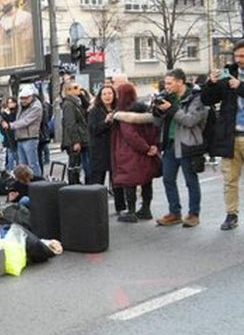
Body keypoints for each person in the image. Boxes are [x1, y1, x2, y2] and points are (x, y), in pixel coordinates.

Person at [153, 68, 209, 227]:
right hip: (169, 144)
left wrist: (171, 109)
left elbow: (190, 121)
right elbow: (157, 123)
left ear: (180, 82)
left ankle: (193, 214)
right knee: (168, 179)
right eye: (165, 83)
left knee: (191, 181)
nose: (166, 86)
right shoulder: (167, 97)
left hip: (187, 144)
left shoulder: (196, 97)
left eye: (169, 83)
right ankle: (174, 213)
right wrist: (157, 110)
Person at [201, 38, 244, 230]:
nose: (239, 59)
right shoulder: (229, 73)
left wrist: (240, 86)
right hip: (231, 136)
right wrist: (211, 83)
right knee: (230, 179)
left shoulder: (236, 80)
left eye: (242, 56)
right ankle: (231, 214)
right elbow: (207, 99)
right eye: (237, 56)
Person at [111, 83, 161, 222]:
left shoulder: (123, 115)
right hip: (147, 153)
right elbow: (155, 130)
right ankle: (146, 209)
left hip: (130, 154)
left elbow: (131, 136)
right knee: (146, 181)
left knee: (130, 182)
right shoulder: (146, 112)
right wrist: (153, 147)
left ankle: (131, 211)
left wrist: (145, 148)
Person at [2, 85, 43, 177]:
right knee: (22, 165)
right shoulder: (21, 105)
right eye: (22, 98)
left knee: (32, 163)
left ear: (31, 96)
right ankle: (24, 182)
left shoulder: (36, 107)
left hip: (30, 137)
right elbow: (16, 116)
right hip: (20, 137)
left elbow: (25, 121)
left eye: (26, 98)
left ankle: (37, 181)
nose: (23, 101)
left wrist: (10, 125)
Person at [87, 85, 117, 191]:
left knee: (117, 182)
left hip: (115, 149)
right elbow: (93, 129)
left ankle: (119, 200)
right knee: (97, 181)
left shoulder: (117, 109)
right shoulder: (95, 110)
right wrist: (106, 122)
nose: (107, 96)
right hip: (99, 150)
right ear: (100, 96)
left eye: (110, 93)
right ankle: (95, 200)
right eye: (104, 94)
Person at [61, 82, 90, 184]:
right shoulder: (68, 104)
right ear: (68, 90)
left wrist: (81, 95)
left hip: (82, 137)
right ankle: (74, 184)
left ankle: (80, 183)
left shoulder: (76, 102)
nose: (79, 89)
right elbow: (70, 124)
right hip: (75, 139)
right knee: (75, 165)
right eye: (76, 87)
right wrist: (76, 141)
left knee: (81, 164)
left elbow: (88, 108)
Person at [0, 96, 19, 171]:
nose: (10, 104)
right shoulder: (4, 113)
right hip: (8, 136)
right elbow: (2, 124)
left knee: (17, 154)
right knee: (10, 153)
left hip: (16, 135)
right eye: (9, 103)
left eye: (12, 102)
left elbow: (14, 122)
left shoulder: (17, 112)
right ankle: (10, 169)